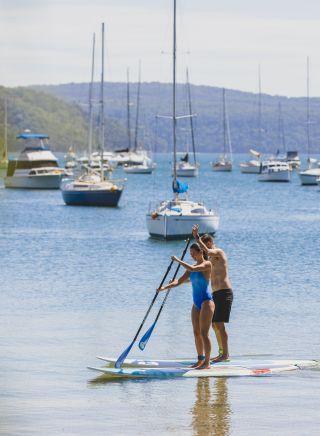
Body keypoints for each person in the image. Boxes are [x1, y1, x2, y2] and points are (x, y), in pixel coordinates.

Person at [158, 243, 215, 369]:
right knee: (196, 333)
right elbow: (179, 281)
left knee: (205, 333)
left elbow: (194, 270)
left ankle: (207, 362)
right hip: (196, 304)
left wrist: (178, 260)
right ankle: (200, 360)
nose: (192, 256)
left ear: (200, 252)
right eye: (191, 254)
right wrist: (164, 288)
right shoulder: (191, 267)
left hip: (207, 302)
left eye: (194, 253)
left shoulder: (207, 264)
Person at [192, 225, 233, 362]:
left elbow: (207, 250)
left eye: (204, 246)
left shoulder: (218, 252)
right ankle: (222, 352)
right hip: (215, 294)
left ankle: (225, 354)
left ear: (208, 242)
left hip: (224, 292)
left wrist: (197, 238)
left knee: (219, 324)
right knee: (214, 325)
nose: (204, 252)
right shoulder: (209, 260)